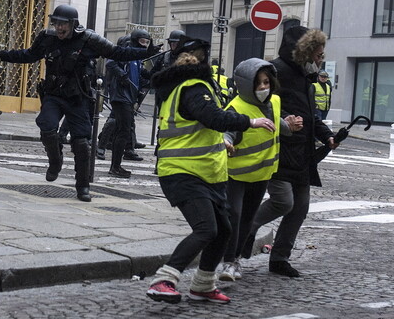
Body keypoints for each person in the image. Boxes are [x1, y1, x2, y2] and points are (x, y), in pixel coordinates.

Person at [145, 35, 275, 304]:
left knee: (224, 229)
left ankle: (203, 285)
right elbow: (212, 117)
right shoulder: (193, 87)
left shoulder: (184, 86)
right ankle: (164, 279)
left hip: (204, 173)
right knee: (206, 228)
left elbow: (203, 128)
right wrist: (250, 121)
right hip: (182, 171)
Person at [0, 4, 159, 202]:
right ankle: (55, 161)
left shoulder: (89, 39)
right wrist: (1, 54)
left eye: (63, 24)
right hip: (54, 95)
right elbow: (28, 55)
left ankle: (82, 186)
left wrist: (145, 53)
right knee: (47, 126)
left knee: (81, 143)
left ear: (73, 24)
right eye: (56, 23)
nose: (59, 28)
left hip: (78, 97)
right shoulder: (47, 38)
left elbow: (117, 52)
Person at [240, 26, 338, 278]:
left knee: (300, 207)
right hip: (280, 150)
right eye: (317, 54)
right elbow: (259, 105)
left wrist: (327, 135)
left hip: (302, 154)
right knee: (284, 201)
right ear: (304, 52)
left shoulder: (307, 77)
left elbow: (310, 115)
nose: (321, 58)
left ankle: (280, 258)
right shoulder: (276, 71)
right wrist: (285, 121)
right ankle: (246, 229)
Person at [218, 58, 303, 282]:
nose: (264, 87)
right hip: (235, 174)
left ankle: (234, 259)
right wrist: (226, 142)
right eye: (259, 83)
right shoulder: (236, 107)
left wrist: (289, 126)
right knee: (234, 216)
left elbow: (278, 124)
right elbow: (227, 131)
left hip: (262, 174)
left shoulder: (274, 101)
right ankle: (227, 262)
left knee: (247, 218)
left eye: (267, 82)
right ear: (247, 85)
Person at [105, 29, 151, 177]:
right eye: (143, 42)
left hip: (128, 97)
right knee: (123, 131)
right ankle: (115, 167)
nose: (145, 45)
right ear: (135, 40)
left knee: (122, 131)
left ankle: (115, 165)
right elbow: (110, 63)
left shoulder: (137, 59)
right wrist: (122, 75)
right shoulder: (126, 53)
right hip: (121, 97)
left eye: (147, 42)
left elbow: (142, 78)